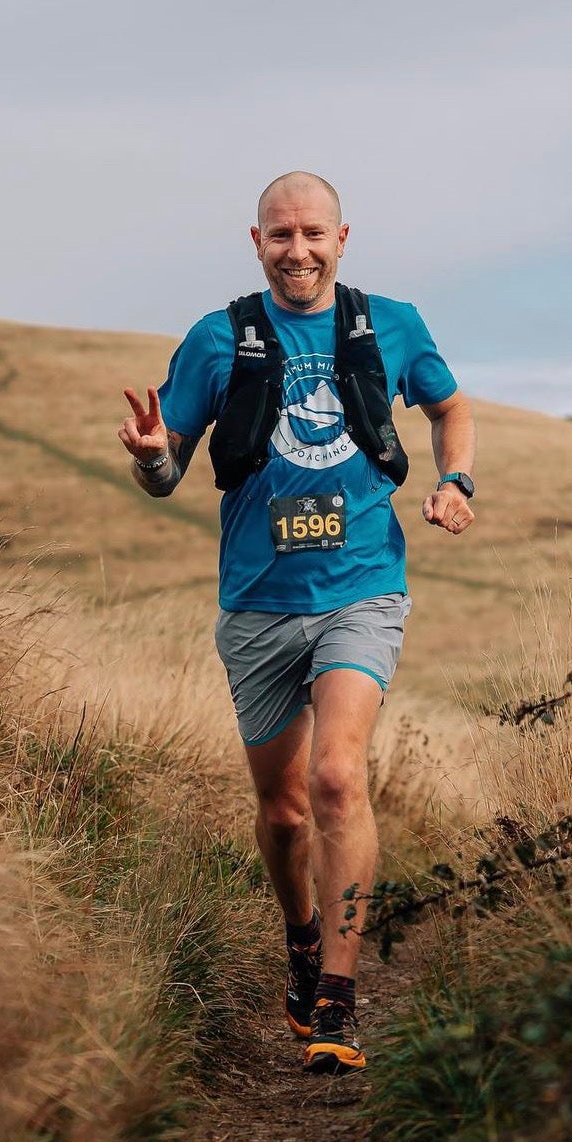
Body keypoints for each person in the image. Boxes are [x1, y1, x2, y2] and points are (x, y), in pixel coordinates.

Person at [118, 172, 475, 1074]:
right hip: (256, 607)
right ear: (256, 240)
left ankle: (339, 1005)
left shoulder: (390, 323)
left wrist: (455, 478)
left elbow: (449, 405)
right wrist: (155, 459)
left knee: (336, 779)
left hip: (361, 590)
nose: (299, 249)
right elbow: (166, 477)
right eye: (282, 234)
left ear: (343, 236)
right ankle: (302, 939)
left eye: (314, 232)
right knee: (280, 814)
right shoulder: (217, 339)